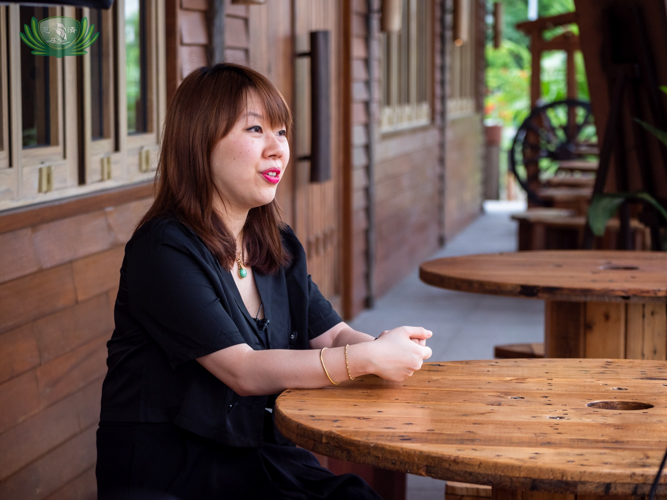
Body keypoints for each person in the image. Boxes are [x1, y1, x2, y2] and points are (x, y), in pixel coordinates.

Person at [96, 63, 433, 500]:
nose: (277, 149)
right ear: (200, 142)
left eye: (282, 132)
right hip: (175, 471)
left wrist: (388, 349)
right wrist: (367, 359)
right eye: (256, 130)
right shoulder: (163, 249)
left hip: (261, 455)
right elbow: (243, 371)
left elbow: (330, 334)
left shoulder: (275, 243)